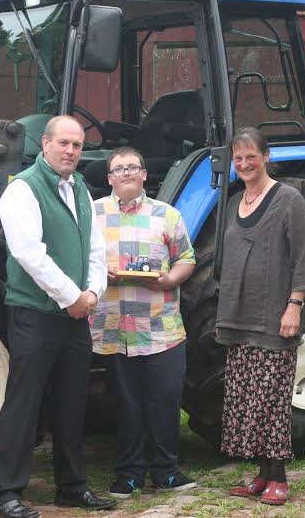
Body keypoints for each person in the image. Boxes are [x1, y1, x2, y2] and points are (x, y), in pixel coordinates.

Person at [0, 115, 116, 518]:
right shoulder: (22, 189)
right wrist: (71, 296)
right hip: (35, 313)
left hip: (75, 314)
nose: (71, 151)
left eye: (77, 145)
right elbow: (29, 254)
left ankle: (72, 488)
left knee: (72, 404)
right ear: (45, 144)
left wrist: (93, 291)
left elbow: (95, 249)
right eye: (63, 143)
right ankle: (4, 493)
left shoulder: (80, 188)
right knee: (23, 404)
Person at [216, 127, 305, 506]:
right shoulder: (234, 203)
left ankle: (280, 478)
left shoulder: (289, 200)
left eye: (250, 156)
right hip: (240, 316)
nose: (244, 164)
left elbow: (304, 257)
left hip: (276, 317)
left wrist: (294, 305)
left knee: (273, 398)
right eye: (238, 158)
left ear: (266, 156)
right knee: (249, 398)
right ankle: (262, 475)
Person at [89, 147, 197, 498]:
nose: (126, 174)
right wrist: (97, 273)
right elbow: (80, 258)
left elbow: (186, 258)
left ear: (144, 174)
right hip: (113, 327)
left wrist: (169, 281)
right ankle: (129, 473)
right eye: (118, 169)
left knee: (164, 398)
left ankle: (166, 471)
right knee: (126, 403)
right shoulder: (93, 215)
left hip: (160, 327)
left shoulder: (167, 215)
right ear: (109, 178)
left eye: (132, 167)